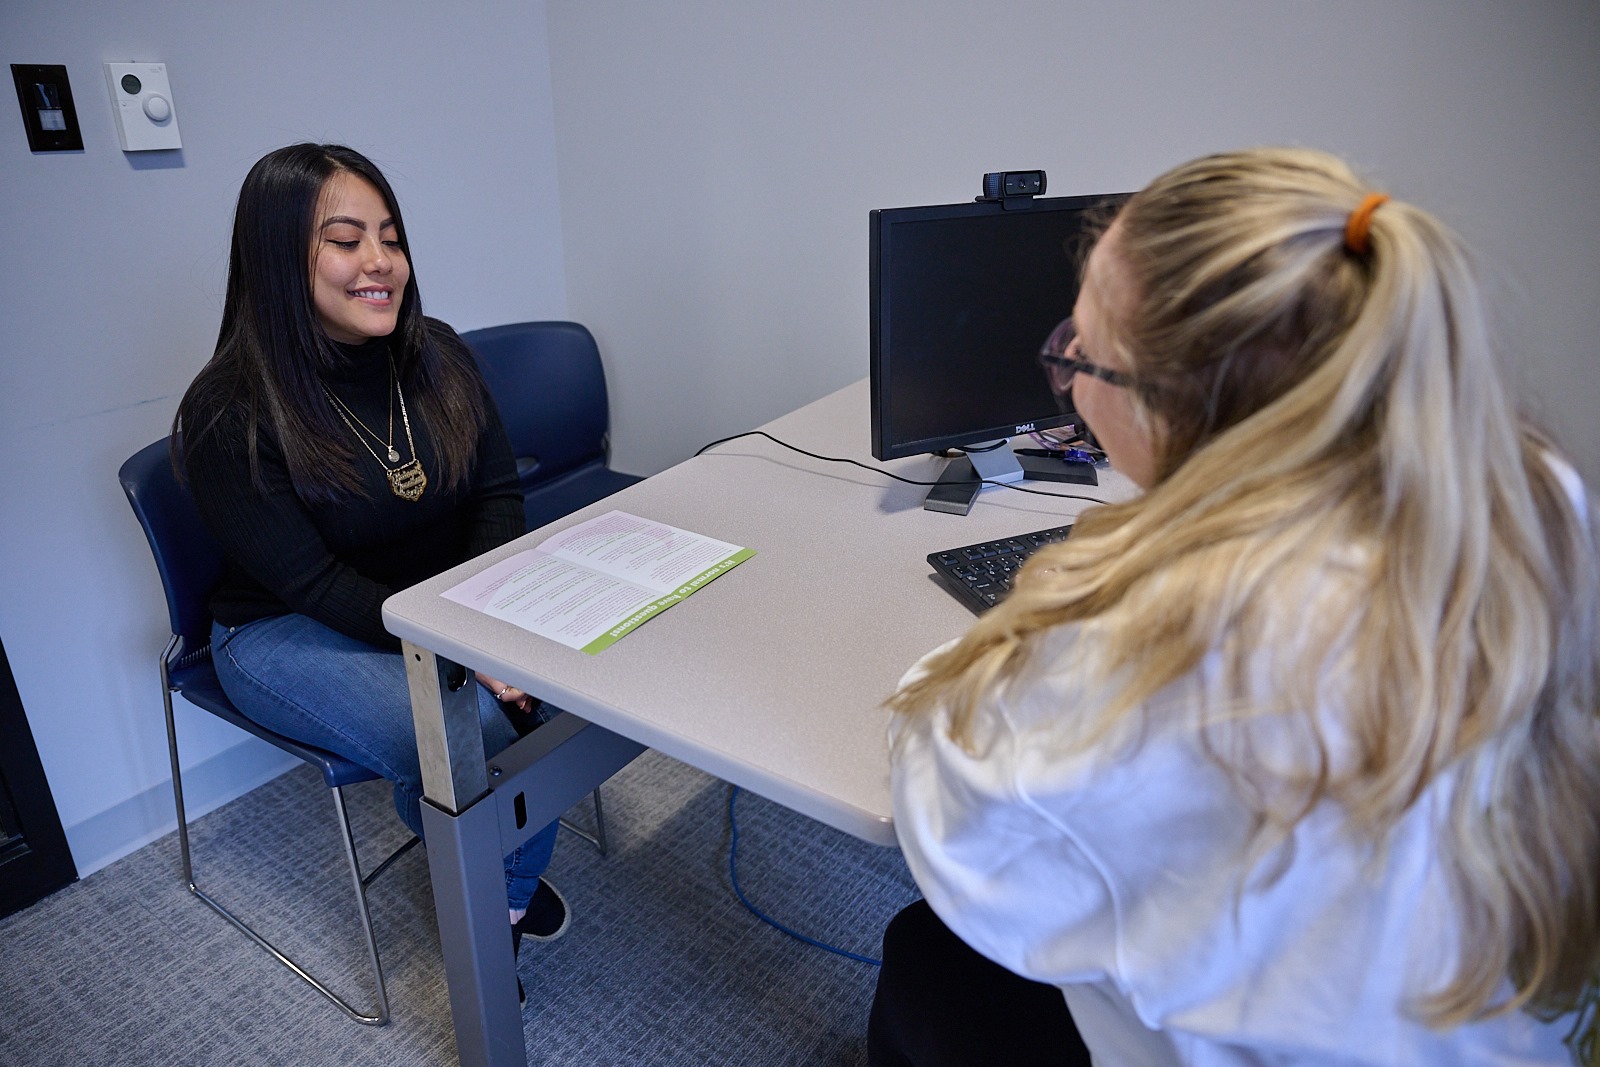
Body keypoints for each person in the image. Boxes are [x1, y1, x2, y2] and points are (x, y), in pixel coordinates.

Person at [869, 147, 1599, 1065]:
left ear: (1182, 409)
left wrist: (1020, 630)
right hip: (1502, 1017)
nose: (1068, 378)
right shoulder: (1534, 502)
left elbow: (953, 813)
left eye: (1082, 354)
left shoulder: (1182, 636)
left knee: (931, 956)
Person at [174, 143, 568, 1002]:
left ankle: (469, 850)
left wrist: (485, 627)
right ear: (280, 258)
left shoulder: (439, 355)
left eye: (390, 236)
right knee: (486, 743)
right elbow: (312, 583)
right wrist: (461, 654)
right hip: (282, 629)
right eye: (346, 240)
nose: (380, 261)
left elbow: (497, 498)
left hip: (434, 605)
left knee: (567, 694)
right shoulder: (227, 410)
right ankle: (490, 917)